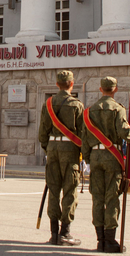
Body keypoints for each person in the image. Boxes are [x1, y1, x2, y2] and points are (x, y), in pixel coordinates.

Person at [82, 76, 130, 253]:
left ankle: (100, 240)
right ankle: (111, 240)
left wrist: (88, 159)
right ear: (115, 90)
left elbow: (85, 139)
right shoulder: (118, 109)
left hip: (96, 156)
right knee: (112, 198)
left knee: (97, 198)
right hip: (113, 157)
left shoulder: (90, 111)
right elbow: (123, 131)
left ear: (100, 89)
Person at [37, 69, 85, 246]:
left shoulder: (48, 103)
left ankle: (54, 233)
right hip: (69, 149)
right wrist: (82, 152)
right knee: (70, 191)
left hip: (53, 149)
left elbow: (43, 132)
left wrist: (48, 148)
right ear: (72, 84)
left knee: (53, 190)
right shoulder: (76, 105)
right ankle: (65, 232)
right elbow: (82, 133)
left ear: (57, 84)